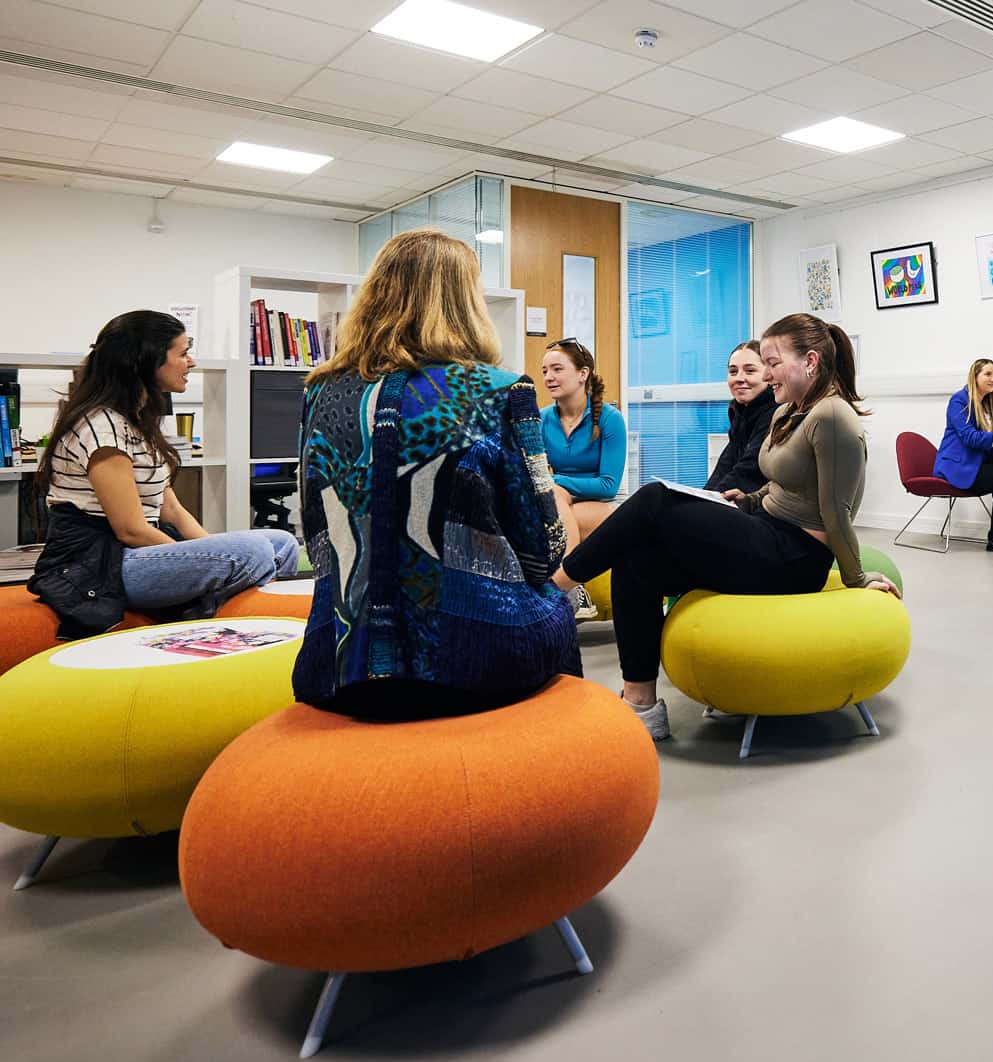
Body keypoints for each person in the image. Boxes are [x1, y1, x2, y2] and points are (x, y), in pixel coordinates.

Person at [553, 313, 900, 741]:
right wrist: (749, 499)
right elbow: (781, 484)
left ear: (810, 361)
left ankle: (557, 587)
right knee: (636, 560)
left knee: (656, 498)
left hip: (795, 556)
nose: (766, 374)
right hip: (765, 531)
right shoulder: (790, 411)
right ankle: (640, 706)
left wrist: (857, 577)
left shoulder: (832, 416)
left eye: (772, 363)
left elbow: (836, 510)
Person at [296, 227, 579, 720]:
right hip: (475, 664)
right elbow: (542, 550)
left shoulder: (319, 392)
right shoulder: (503, 391)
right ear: (466, 302)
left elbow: (315, 536)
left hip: (340, 668)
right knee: (558, 607)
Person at [28, 310, 297, 638]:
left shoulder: (137, 421)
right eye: (183, 353)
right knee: (251, 552)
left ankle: (222, 612)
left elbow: (171, 509)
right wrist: (196, 558)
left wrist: (208, 550)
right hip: (99, 564)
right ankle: (205, 623)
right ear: (146, 361)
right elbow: (131, 530)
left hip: (134, 552)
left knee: (282, 543)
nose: (192, 362)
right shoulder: (102, 427)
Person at [539, 337, 625, 618]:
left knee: (553, 497)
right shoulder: (541, 420)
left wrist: (559, 483)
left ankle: (569, 587)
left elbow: (608, 485)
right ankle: (575, 591)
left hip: (602, 505)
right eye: (544, 371)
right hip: (561, 505)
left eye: (557, 369)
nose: (549, 377)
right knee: (552, 506)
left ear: (582, 373)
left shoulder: (610, 419)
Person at [932, 357, 993, 554]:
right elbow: (970, 437)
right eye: (987, 374)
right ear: (974, 376)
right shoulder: (959, 400)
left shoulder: (986, 405)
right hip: (957, 468)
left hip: (975, 465)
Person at [705, 340, 777, 494]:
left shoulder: (775, 413)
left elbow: (749, 471)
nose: (739, 378)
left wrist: (706, 503)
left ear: (768, 374)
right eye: (733, 372)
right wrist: (704, 494)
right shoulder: (740, 411)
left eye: (750, 371)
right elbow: (726, 463)